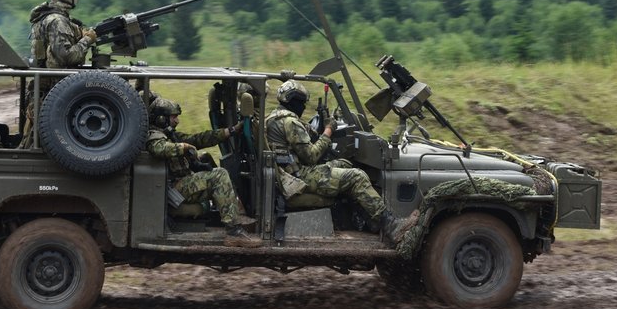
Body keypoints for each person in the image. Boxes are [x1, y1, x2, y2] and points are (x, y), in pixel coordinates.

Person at [265, 79, 418, 246]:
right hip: (298, 177)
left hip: (290, 173)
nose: (303, 107)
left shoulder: (274, 118)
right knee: (356, 177)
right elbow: (311, 156)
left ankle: (369, 219)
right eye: (301, 103)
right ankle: (390, 224)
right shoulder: (290, 122)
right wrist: (328, 131)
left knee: (345, 164)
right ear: (293, 101)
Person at [146, 97, 261, 248]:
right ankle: (233, 232)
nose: (177, 121)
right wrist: (183, 147)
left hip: (180, 184)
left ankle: (235, 210)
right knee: (219, 175)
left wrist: (230, 131)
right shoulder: (153, 136)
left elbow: (198, 139)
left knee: (207, 160)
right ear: (161, 118)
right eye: (174, 117)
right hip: (173, 189)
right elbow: (158, 148)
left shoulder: (168, 135)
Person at [21, 0, 97, 147]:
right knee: (42, 144)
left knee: (35, 141)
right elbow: (68, 57)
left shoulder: (48, 17)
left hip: (47, 92)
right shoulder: (57, 21)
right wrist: (87, 40)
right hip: (54, 93)